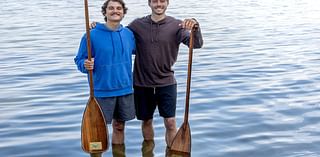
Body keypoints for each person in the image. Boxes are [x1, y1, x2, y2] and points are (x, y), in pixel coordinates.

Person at [127, 0, 203, 148]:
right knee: (146, 120)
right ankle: (148, 151)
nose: (158, 4)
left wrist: (195, 26)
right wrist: (98, 27)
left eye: (162, 1)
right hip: (142, 83)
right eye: (154, 1)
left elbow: (196, 44)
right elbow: (118, 35)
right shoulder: (137, 25)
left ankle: (172, 151)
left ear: (167, 3)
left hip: (167, 82)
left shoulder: (177, 25)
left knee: (170, 122)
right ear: (149, 3)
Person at [74, 0, 136, 148]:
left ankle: (119, 153)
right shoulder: (91, 35)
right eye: (111, 8)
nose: (115, 11)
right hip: (101, 91)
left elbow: (142, 52)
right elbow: (79, 60)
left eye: (119, 8)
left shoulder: (128, 34)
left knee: (119, 127)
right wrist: (85, 64)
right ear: (105, 12)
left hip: (125, 89)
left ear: (123, 12)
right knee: (97, 131)